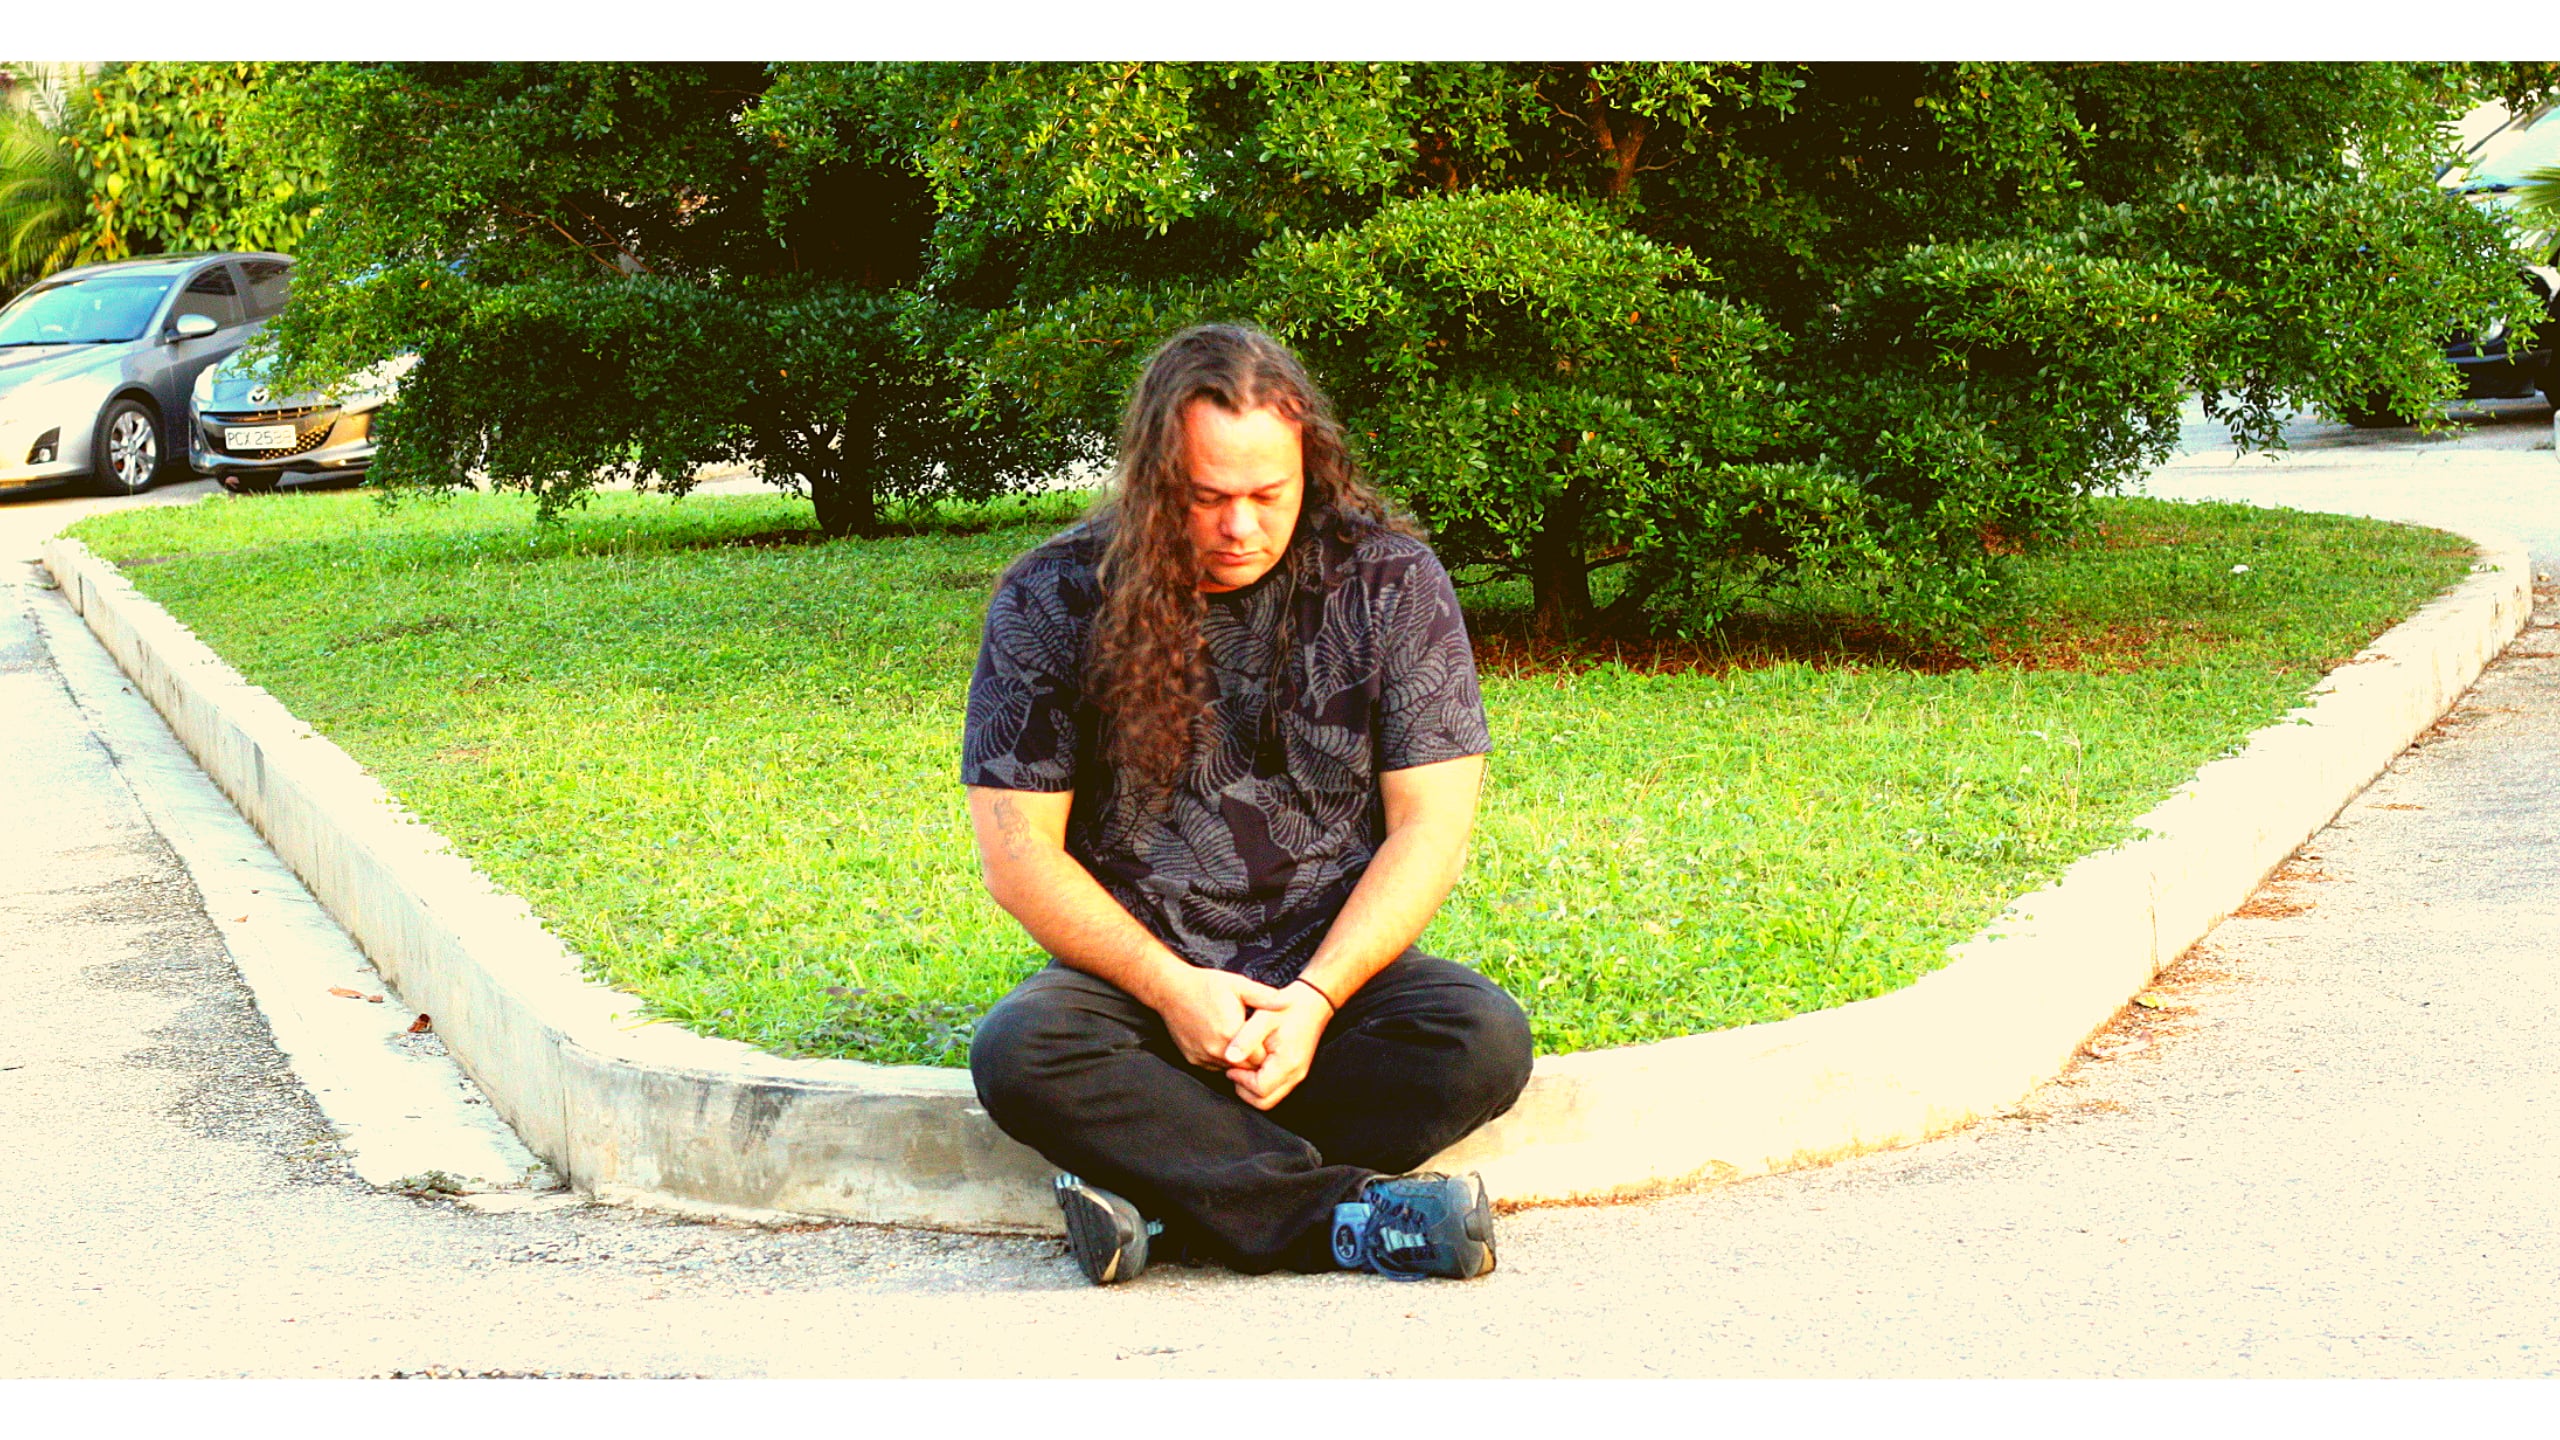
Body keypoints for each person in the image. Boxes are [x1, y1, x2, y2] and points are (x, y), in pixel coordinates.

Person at [961, 323, 1534, 1285]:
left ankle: (1169, 1194)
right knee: (1023, 1052)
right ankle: (1342, 1217)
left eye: (1269, 495)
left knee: (1479, 1038)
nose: (1240, 527)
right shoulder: (1050, 596)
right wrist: (1172, 989)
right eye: (1206, 497)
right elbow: (1019, 857)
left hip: (1329, 982)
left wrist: (1314, 1000)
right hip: (1138, 993)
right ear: (1153, 481)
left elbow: (1429, 828)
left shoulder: (1393, 583)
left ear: (1313, 466)